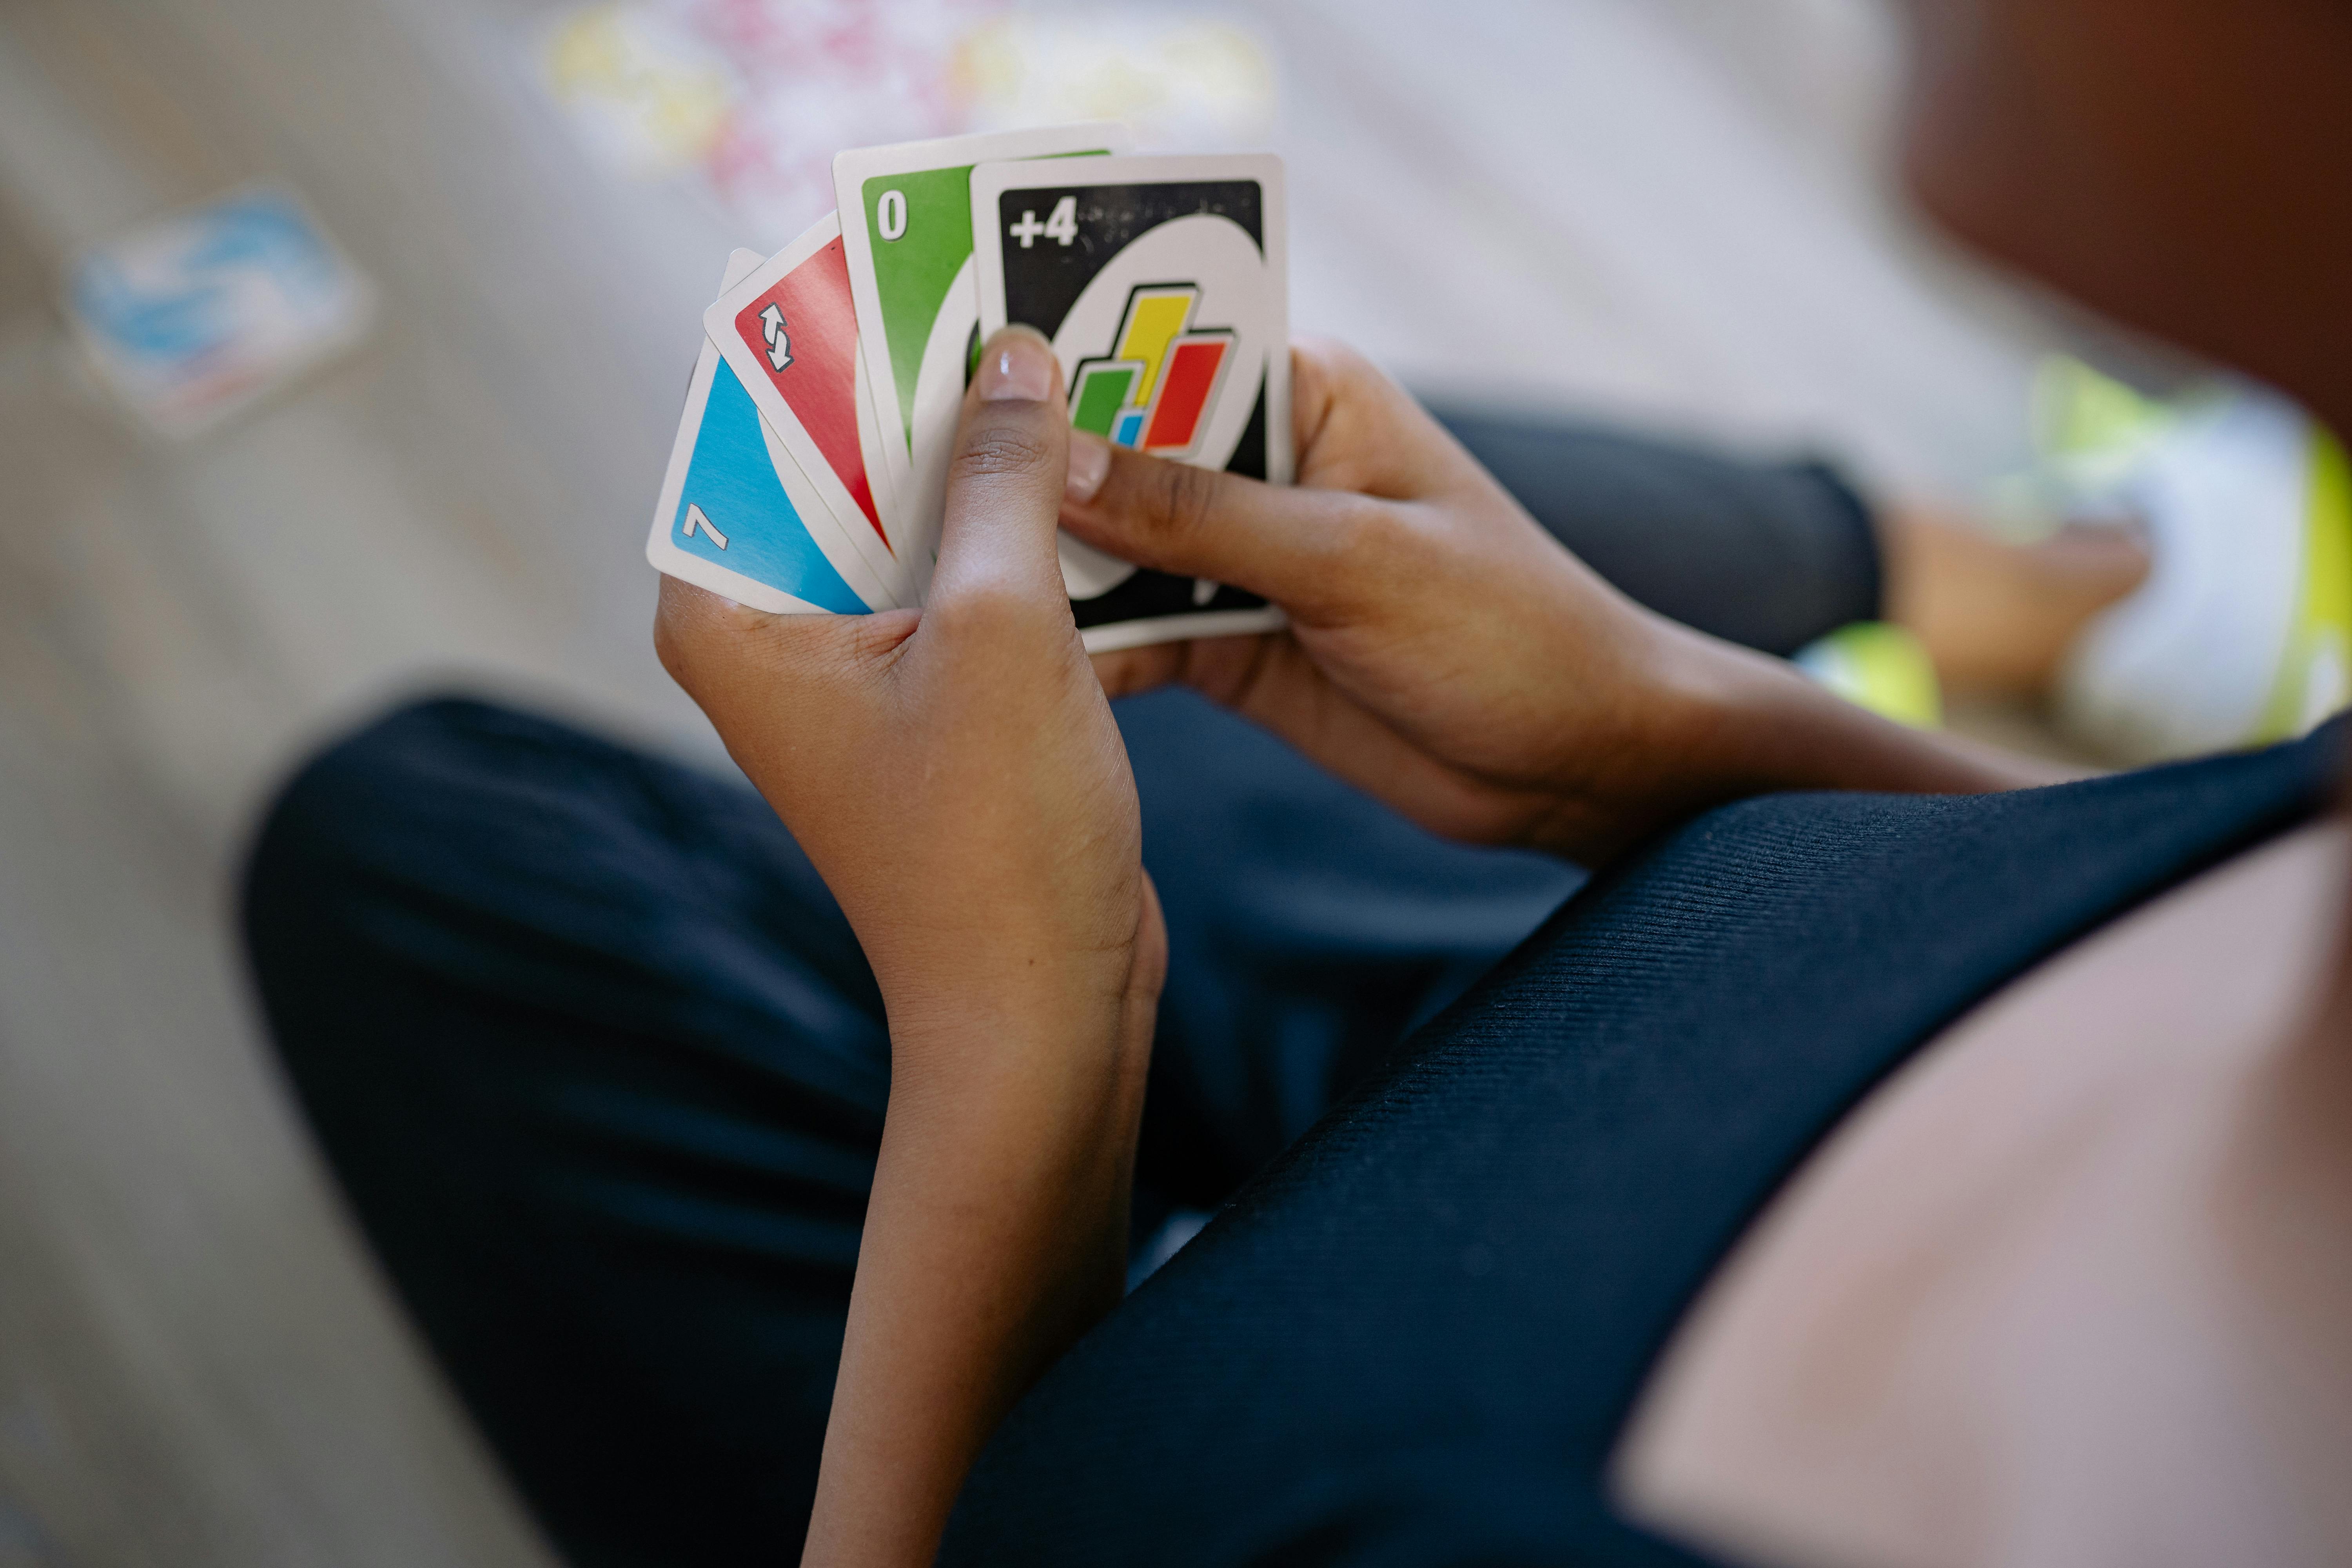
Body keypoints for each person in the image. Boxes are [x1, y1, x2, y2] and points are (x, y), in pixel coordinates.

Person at [240, 1, 2352, 1564]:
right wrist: (1668, 729)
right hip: (1622, 981)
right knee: (1180, 581)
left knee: (413, 844)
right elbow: (2112, 890)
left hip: (1194, 1389)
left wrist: (1029, 1051)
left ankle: (1162, 1216)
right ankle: (2101, 591)